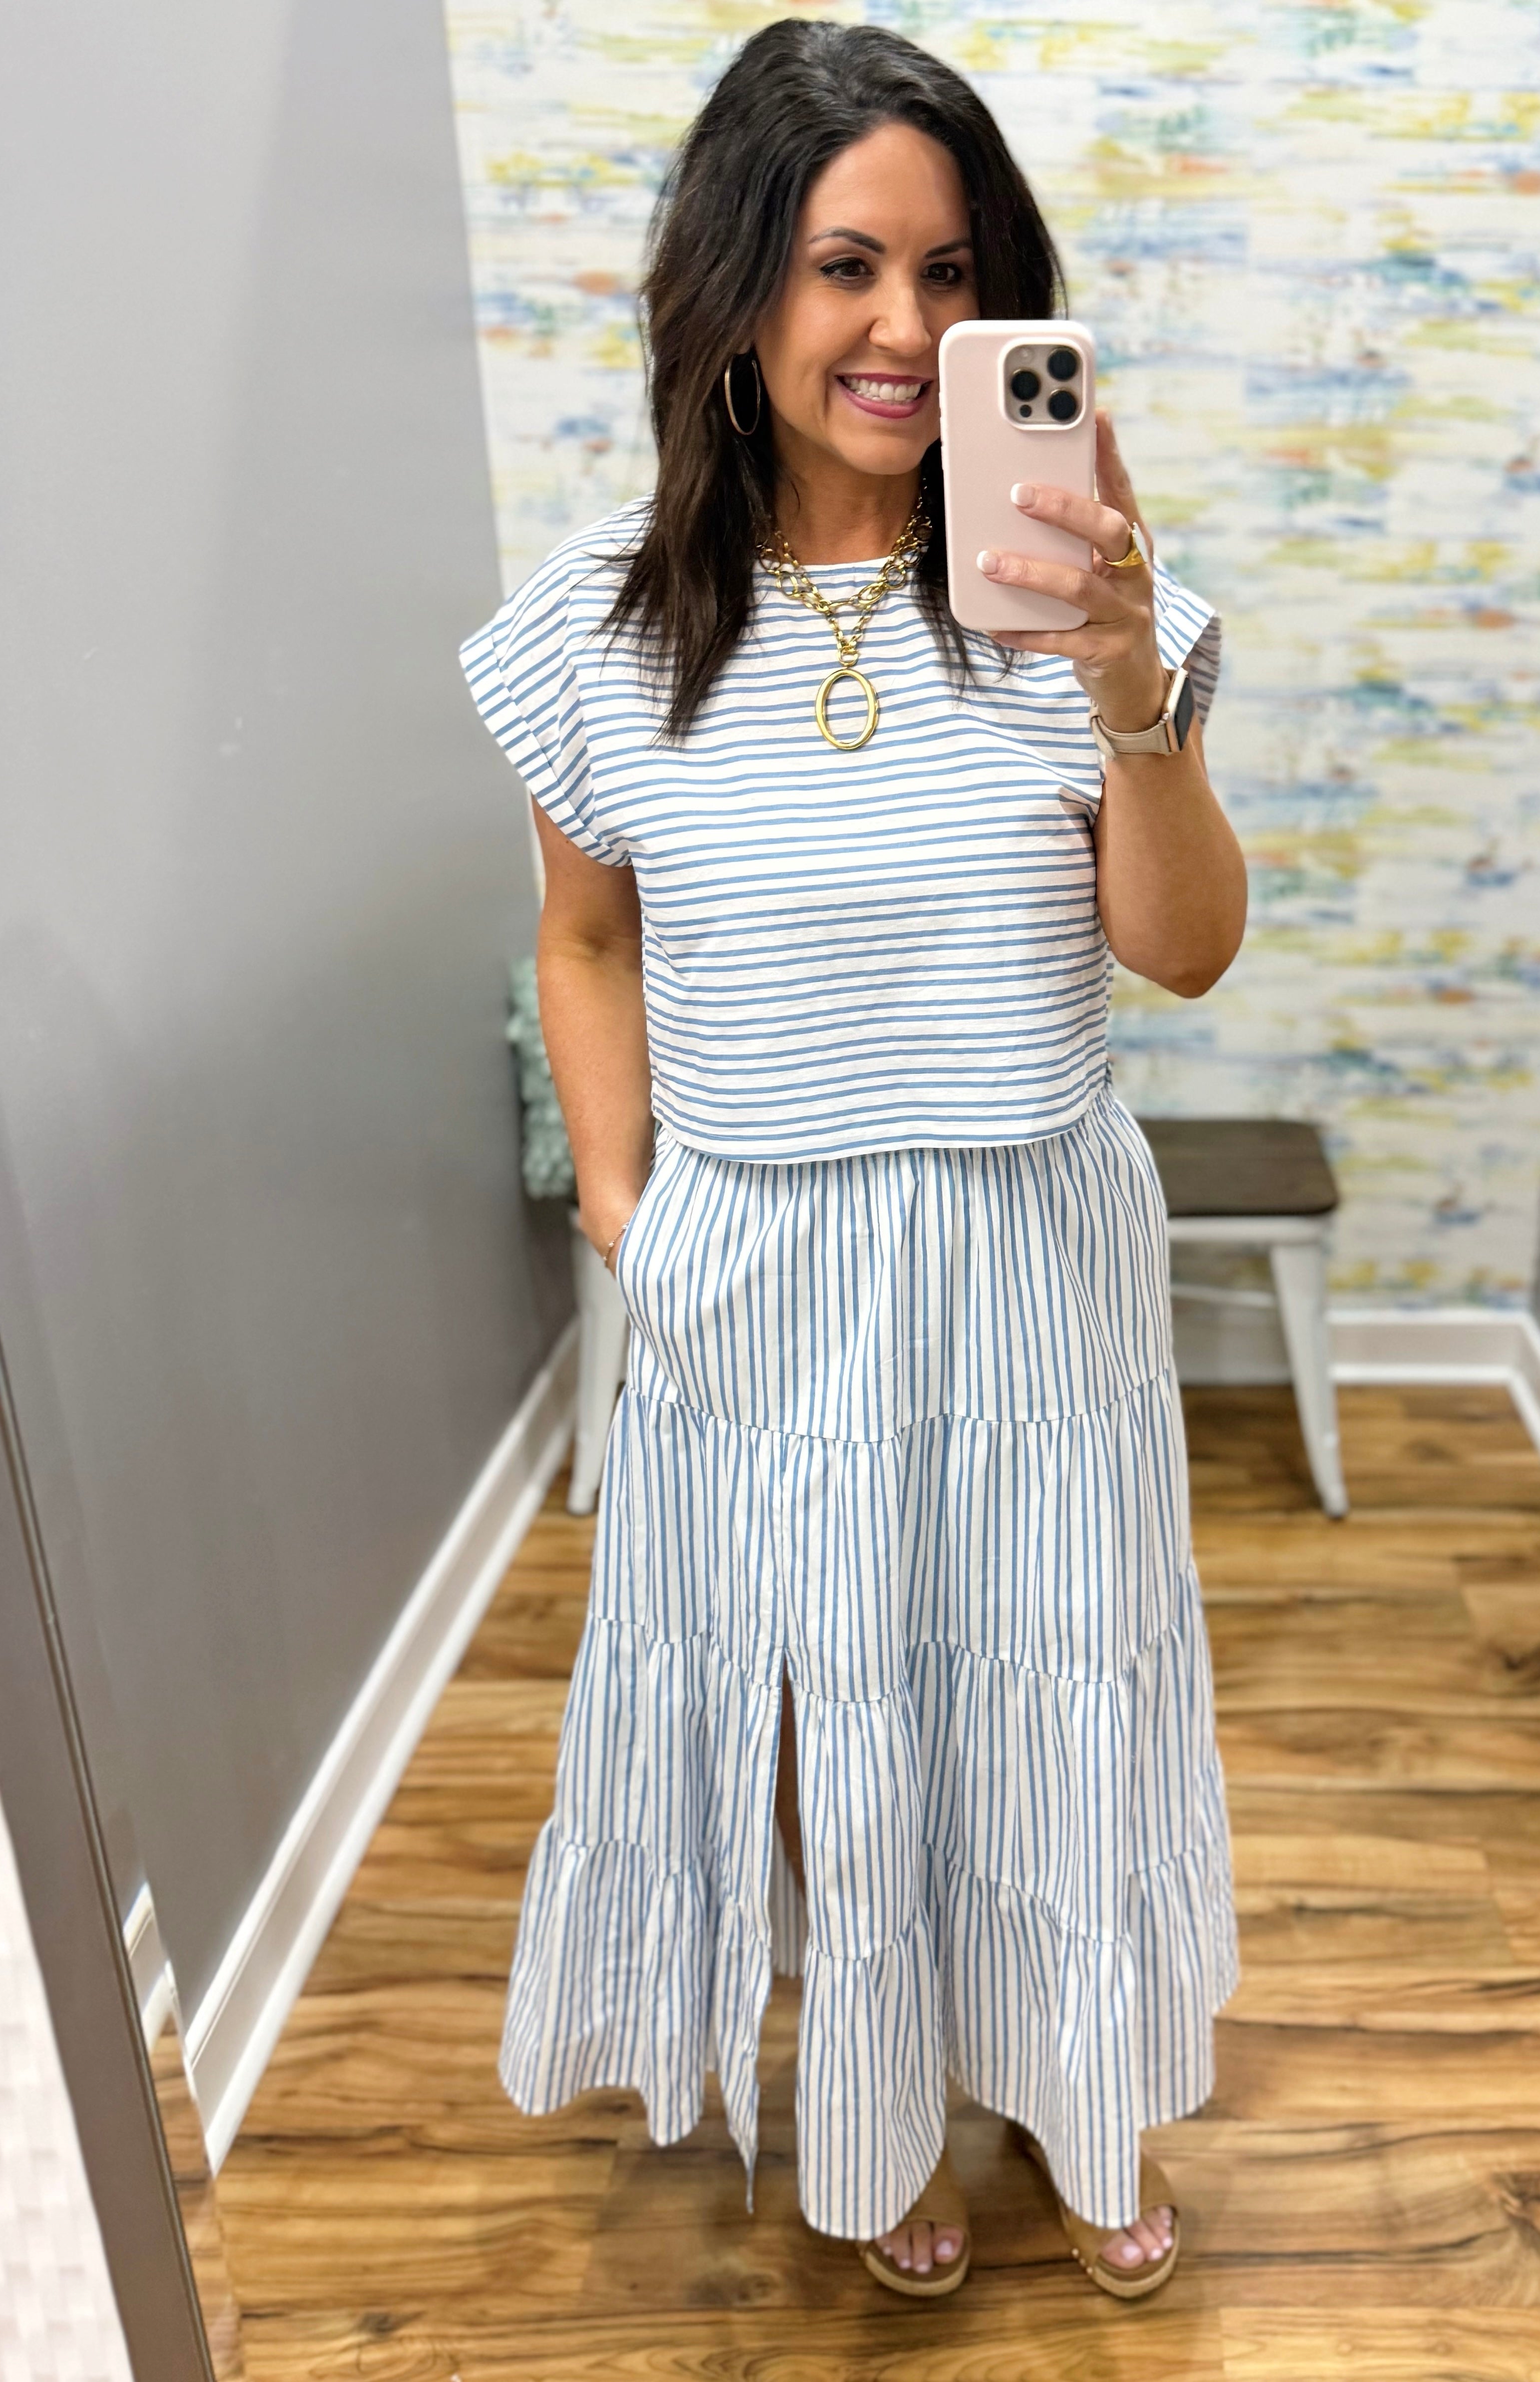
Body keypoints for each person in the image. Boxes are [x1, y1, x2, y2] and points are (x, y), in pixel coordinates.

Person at [460, 15, 1245, 2303]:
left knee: (1057, 1685)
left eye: (951, 266)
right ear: (736, 295)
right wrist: (623, 1204)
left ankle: (1083, 2100)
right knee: (831, 1717)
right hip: (759, 1266)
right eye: (841, 266)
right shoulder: (604, 629)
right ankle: (883, 2113)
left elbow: (1183, 954)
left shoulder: (1094, 604)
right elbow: (582, 933)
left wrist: (1131, 690)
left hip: (1026, 1249)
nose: (903, 328)